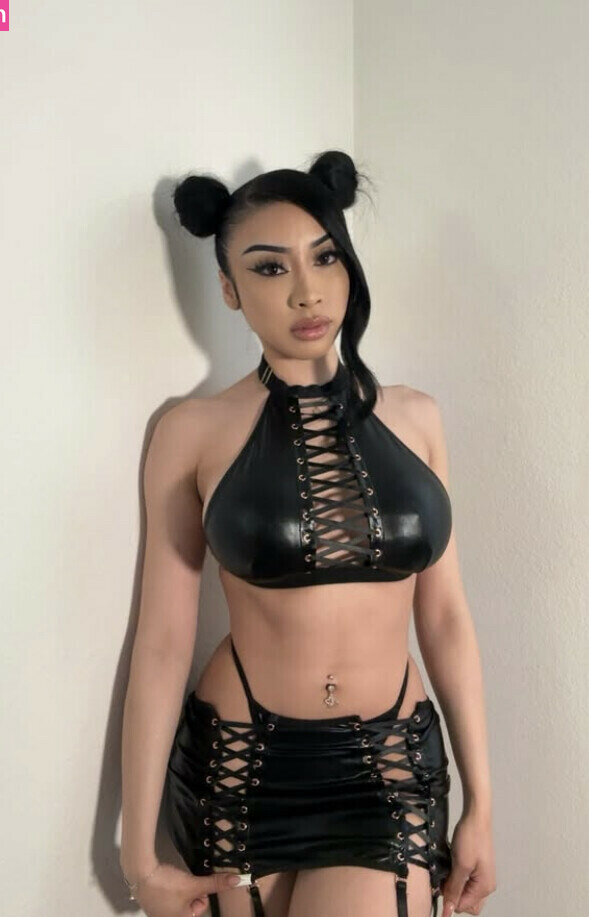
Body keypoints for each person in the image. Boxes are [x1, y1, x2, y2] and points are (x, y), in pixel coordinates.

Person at [120, 150, 496, 917]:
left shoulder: (417, 418)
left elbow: (446, 618)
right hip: (239, 766)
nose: (306, 289)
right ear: (228, 288)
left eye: (324, 256)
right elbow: (161, 641)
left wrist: (481, 805)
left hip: (389, 768)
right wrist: (137, 855)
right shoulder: (190, 430)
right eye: (268, 267)